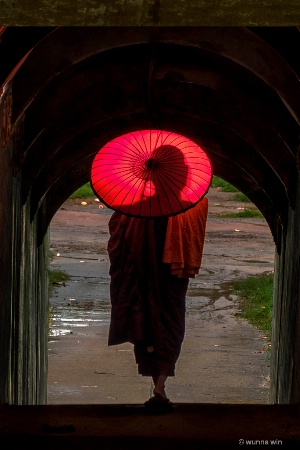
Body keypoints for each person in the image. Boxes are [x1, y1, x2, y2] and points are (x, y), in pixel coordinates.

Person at [107, 196, 208, 410]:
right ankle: (160, 385)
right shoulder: (187, 203)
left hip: (150, 275)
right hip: (162, 275)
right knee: (166, 321)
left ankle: (159, 385)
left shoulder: (133, 204)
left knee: (147, 321)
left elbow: (118, 233)